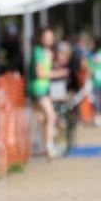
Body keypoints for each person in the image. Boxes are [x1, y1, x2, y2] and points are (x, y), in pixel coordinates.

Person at [29, 28, 69, 161]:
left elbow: (49, 69)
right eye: (46, 36)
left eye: (51, 37)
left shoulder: (49, 53)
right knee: (51, 116)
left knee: (41, 119)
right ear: (41, 38)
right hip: (37, 89)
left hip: (45, 88)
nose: (49, 39)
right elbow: (40, 73)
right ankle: (49, 145)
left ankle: (42, 147)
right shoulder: (38, 52)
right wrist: (57, 73)